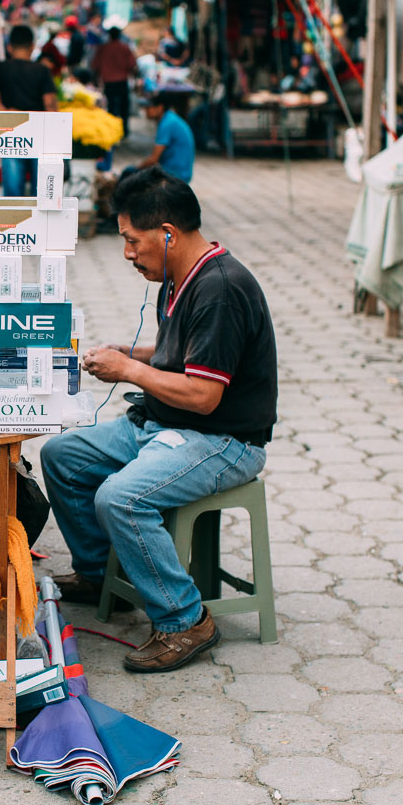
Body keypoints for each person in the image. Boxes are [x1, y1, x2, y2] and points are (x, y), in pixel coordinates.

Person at [40, 167, 277, 673]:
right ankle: (101, 571)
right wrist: (134, 352)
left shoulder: (220, 289)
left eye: (131, 241)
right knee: (61, 455)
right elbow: (183, 355)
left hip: (221, 438)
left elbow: (204, 395)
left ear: (167, 233)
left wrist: (128, 370)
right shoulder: (179, 275)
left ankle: (185, 620)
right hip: (165, 423)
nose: (127, 254)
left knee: (121, 498)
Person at [0, 25, 57, 196]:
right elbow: (50, 105)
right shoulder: (42, 70)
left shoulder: (1, 67)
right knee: (43, 193)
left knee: (13, 195)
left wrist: (4, 111)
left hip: (12, 134)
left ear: (9, 47)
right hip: (39, 134)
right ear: (32, 46)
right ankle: (39, 222)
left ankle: (12, 222)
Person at [136, 92, 195, 183]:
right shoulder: (169, 118)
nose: (145, 110)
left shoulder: (167, 123)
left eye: (148, 107)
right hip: (179, 172)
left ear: (160, 107)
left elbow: (153, 159)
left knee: (130, 172)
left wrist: (137, 168)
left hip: (176, 174)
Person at [92, 20, 136, 135]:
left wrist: (97, 80)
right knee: (124, 107)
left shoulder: (103, 48)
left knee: (111, 107)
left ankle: (112, 130)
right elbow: (132, 65)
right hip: (122, 81)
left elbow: (95, 65)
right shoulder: (124, 48)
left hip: (109, 82)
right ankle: (124, 129)